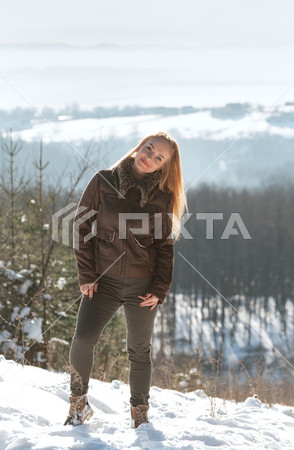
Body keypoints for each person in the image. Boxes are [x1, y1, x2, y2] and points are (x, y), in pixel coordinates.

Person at [64, 131, 187, 428]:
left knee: (140, 351)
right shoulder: (103, 180)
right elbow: (81, 228)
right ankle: (78, 406)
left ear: (164, 166)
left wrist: (159, 289)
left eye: (159, 158)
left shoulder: (162, 196)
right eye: (149, 149)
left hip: (141, 287)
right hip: (102, 284)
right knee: (82, 340)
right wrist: (87, 274)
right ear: (140, 146)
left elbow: (164, 247)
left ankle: (139, 414)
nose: (150, 158)